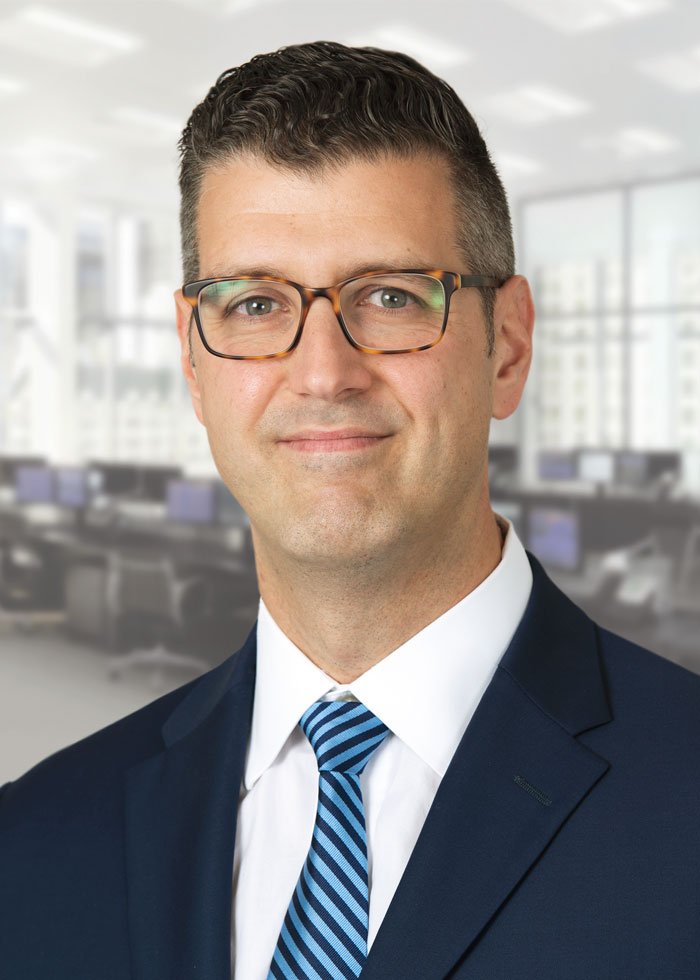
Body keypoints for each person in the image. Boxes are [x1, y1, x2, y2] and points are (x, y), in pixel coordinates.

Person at [1, 40, 699, 980]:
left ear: (508, 348)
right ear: (192, 359)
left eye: (391, 297)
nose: (324, 373)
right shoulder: (37, 841)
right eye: (253, 305)